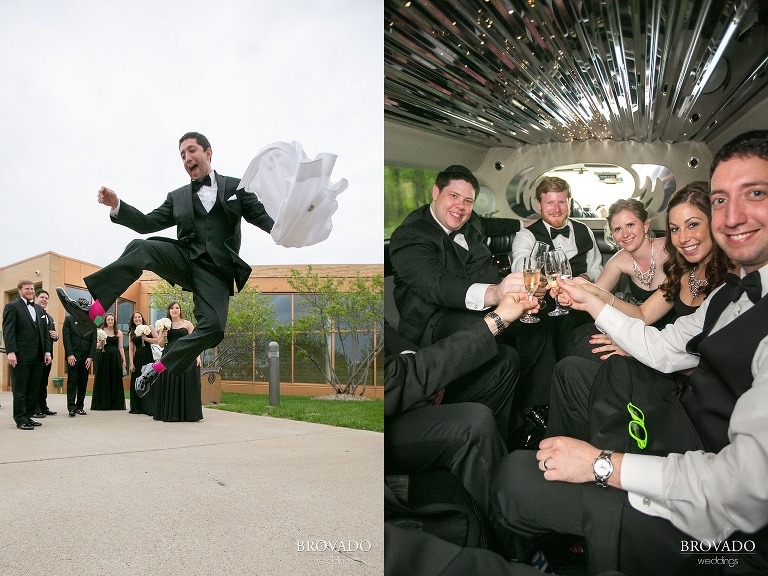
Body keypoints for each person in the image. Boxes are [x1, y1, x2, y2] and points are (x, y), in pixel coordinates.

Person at [491, 130, 768, 575]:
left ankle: (575, 534)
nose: (732, 216)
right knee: (575, 368)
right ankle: (568, 487)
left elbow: (741, 487)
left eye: (755, 193)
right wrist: (591, 302)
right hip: (680, 419)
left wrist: (602, 466)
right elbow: (663, 343)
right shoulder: (729, 294)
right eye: (720, 201)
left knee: (512, 478)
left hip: (718, 519)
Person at [55, 131, 274, 396]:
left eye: (191, 151)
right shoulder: (178, 197)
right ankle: (94, 312)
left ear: (208, 152)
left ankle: (157, 369)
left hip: (215, 273)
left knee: (214, 329)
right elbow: (147, 224)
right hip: (185, 259)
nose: (186, 158)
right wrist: (117, 206)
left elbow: (264, 218)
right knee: (141, 247)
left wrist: (289, 229)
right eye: (182, 155)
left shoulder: (237, 188)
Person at [385, 291, 543, 576]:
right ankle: (521, 553)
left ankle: (491, 470)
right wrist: (496, 320)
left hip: (396, 384)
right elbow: (394, 381)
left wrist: (415, 362)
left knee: (502, 363)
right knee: (474, 424)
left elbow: (382, 335)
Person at [389, 164, 527, 443]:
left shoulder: (470, 219)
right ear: (436, 192)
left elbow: (490, 224)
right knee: (500, 336)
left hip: (474, 307)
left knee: (532, 325)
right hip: (433, 321)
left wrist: (526, 225)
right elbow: (436, 285)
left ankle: (523, 415)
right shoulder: (410, 236)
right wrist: (495, 293)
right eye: (453, 196)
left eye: (467, 201)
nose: (461, 207)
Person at [569, 182, 730, 363]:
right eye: (675, 229)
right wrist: (589, 292)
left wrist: (635, 346)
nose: (683, 238)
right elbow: (643, 314)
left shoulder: (729, 279)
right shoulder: (682, 271)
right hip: (658, 342)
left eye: (692, 225)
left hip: (670, 353)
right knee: (581, 341)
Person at [507, 177, 603, 425]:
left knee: (581, 331)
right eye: (550, 203)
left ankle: (584, 401)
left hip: (580, 303)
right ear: (540, 204)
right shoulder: (527, 236)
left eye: (562, 202)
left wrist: (583, 278)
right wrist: (537, 282)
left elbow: (597, 269)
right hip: (544, 304)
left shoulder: (585, 230)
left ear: (569, 202)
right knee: (537, 330)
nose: (557, 208)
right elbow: (520, 265)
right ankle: (539, 406)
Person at [3, 279, 53, 429]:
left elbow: (44, 333)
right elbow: (8, 330)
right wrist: (11, 352)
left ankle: (29, 416)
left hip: (37, 357)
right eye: (27, 289)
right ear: (20, 290)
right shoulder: (12, 307)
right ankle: (20, 419)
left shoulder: (38, 309)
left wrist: (47, 352)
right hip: (20, 356)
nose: (30, 291)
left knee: (33, 389)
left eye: (32, 289)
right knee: (20, 389)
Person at [153, 301, 203, 422]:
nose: (174, 310)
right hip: (169, 354)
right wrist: (163, 335)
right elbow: (161, 344)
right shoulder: (164, 324)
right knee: (171, 381)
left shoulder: (188, 324)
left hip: (185, 354)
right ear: (169, 310)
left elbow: (195, 342)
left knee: (186, 381)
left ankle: (188, 413)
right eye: (172, 308)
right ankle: (172, 412)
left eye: (177, 308)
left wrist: (198, 357)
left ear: (180, 310)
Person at [62, 314, 97, 417]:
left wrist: (90, 357)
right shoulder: (69, 319)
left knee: (83, 383)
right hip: (73, 357)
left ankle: (80, 407)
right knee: (72, 382)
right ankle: (71, 407)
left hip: (86, 358)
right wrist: (69, 354)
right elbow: (66, 337)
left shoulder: (92, 322)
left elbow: (93, 340)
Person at [90, 313, 126, 411]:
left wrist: (124, 360)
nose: (110, 321)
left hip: (115, 357)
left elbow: (121, 347)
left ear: (114, 321)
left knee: (115, 378)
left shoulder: (118, 332)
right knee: (103, 378)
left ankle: (115, 404)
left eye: (112, 319)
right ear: (105, 321)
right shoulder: (100, 331)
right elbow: (96, 346)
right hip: (103, 356)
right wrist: (101, 343)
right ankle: (103, 403)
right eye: (108, 319)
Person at [127, 311, 160, 415]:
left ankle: (149, 407)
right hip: (138, 357)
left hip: (149, 356)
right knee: (138, 380)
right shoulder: (131, 333)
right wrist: (131, 363)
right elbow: (131, 350)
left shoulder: (149, 327)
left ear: (142, 318)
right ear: (133, 320)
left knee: (149, 379)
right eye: (135, 318)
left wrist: (146, 338)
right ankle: (138, 407)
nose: (137, 319)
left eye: (139, 317)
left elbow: (158, 340)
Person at [33, 288, 59, 417]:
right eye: (42, 297)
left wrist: (56, 336)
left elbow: (51, 335)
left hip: (48, 356)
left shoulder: (49, 317)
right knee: (35, 383)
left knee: (43, 383)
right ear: (35, 298)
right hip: (37, 355)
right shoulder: (33, 313)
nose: (44, 300)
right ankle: (35, 408)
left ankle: (43, 407)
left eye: (46, 298)